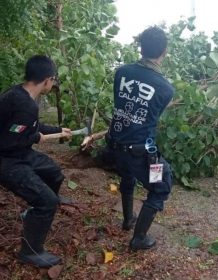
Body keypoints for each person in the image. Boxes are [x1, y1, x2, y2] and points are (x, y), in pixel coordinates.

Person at [82, 26, 174, 250]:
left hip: (115, 145)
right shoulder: (165, 88)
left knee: (128, 175)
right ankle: (139, 237)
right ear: (164, 52)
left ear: (140, 47)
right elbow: (154, 114)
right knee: (161, 184)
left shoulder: (121, 72)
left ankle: (128, 219)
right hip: (142, 151)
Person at [0, 55, 72, 267]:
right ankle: (30, 252)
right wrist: (35, 138)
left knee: (54, 172)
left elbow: (28, 127)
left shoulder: (18, 93)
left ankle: (33, 212)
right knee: (47, 202)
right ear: (48, 80)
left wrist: (58, 131)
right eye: (54, 80)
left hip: (19, 151)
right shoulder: (24, 105)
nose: (53, 84)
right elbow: (11, 141)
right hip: (7, 160)